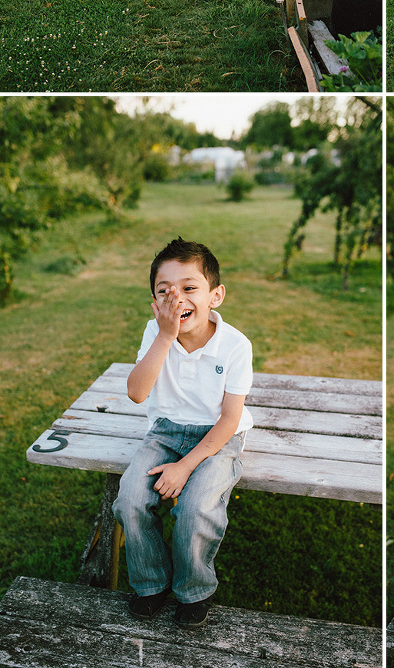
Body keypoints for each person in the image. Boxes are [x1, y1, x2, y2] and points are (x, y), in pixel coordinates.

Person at [114, 237, 253, 626]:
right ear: (156, 303)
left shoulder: (236, 345)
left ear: (216, 295)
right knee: (130, 499)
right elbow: (137, 393)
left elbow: (229, 420)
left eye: (190, 288)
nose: (179, 300)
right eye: (165, 291)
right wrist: (164, 336)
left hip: (217, 439)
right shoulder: (155, 332)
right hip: (164, 432)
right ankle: (151, 583)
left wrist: (186, 466)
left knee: (194, 508)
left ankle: (194, 590)